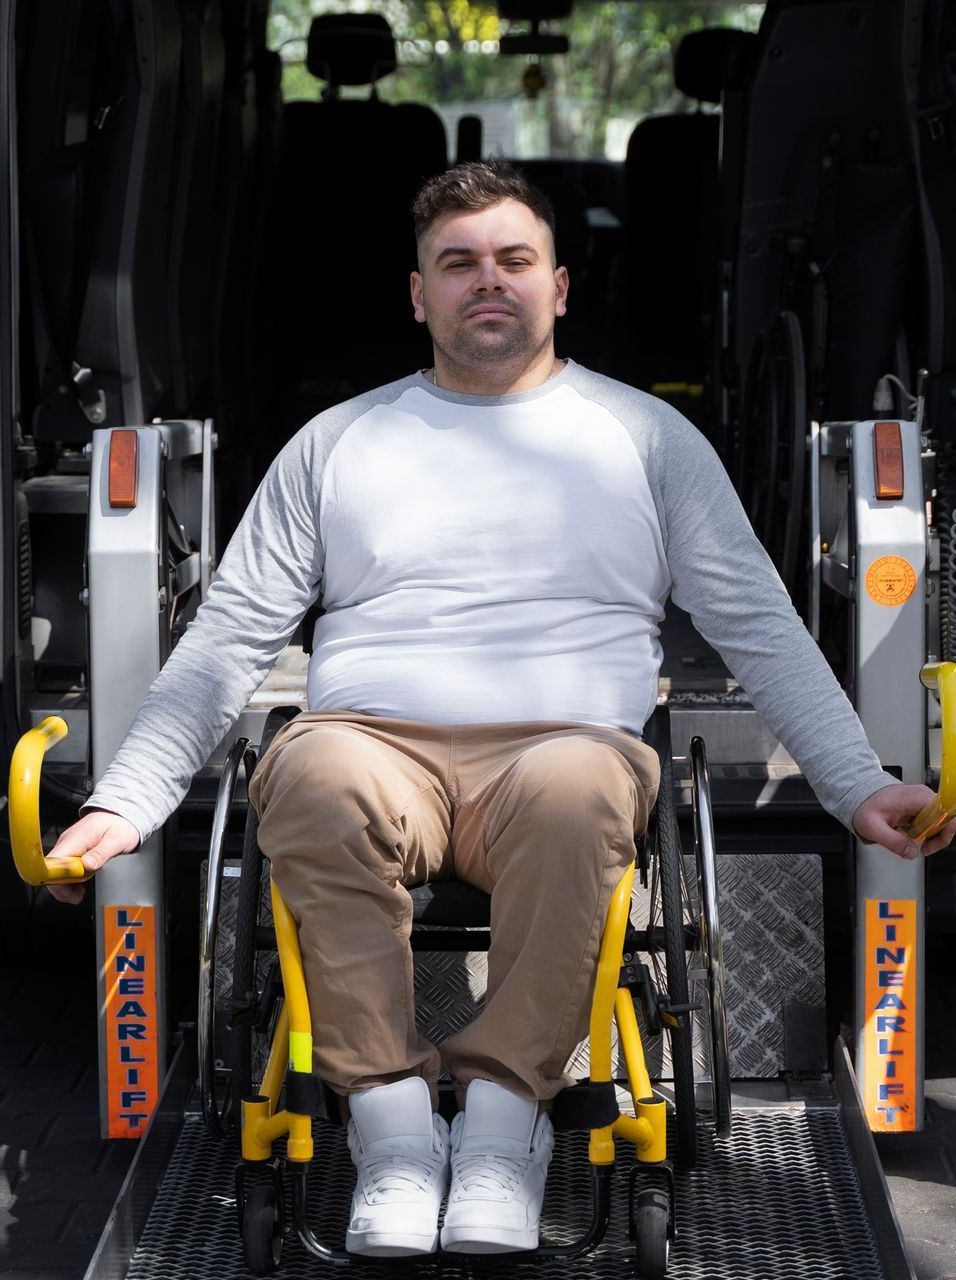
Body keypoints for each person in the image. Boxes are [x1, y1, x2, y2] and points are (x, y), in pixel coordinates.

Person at [47, 162, 954, 1257]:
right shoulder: (336, 443)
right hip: (370, 744)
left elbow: (760, 626)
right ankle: (386, 1127)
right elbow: (228, 637)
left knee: (577, 787)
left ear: (559, 287)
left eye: (513, 261)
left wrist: (857, 781)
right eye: (459, 263)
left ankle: (500, 1124)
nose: (490, 282)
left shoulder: (647, 440)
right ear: (417, 296)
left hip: (564, 748)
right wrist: (129, 799)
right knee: (309, 770)